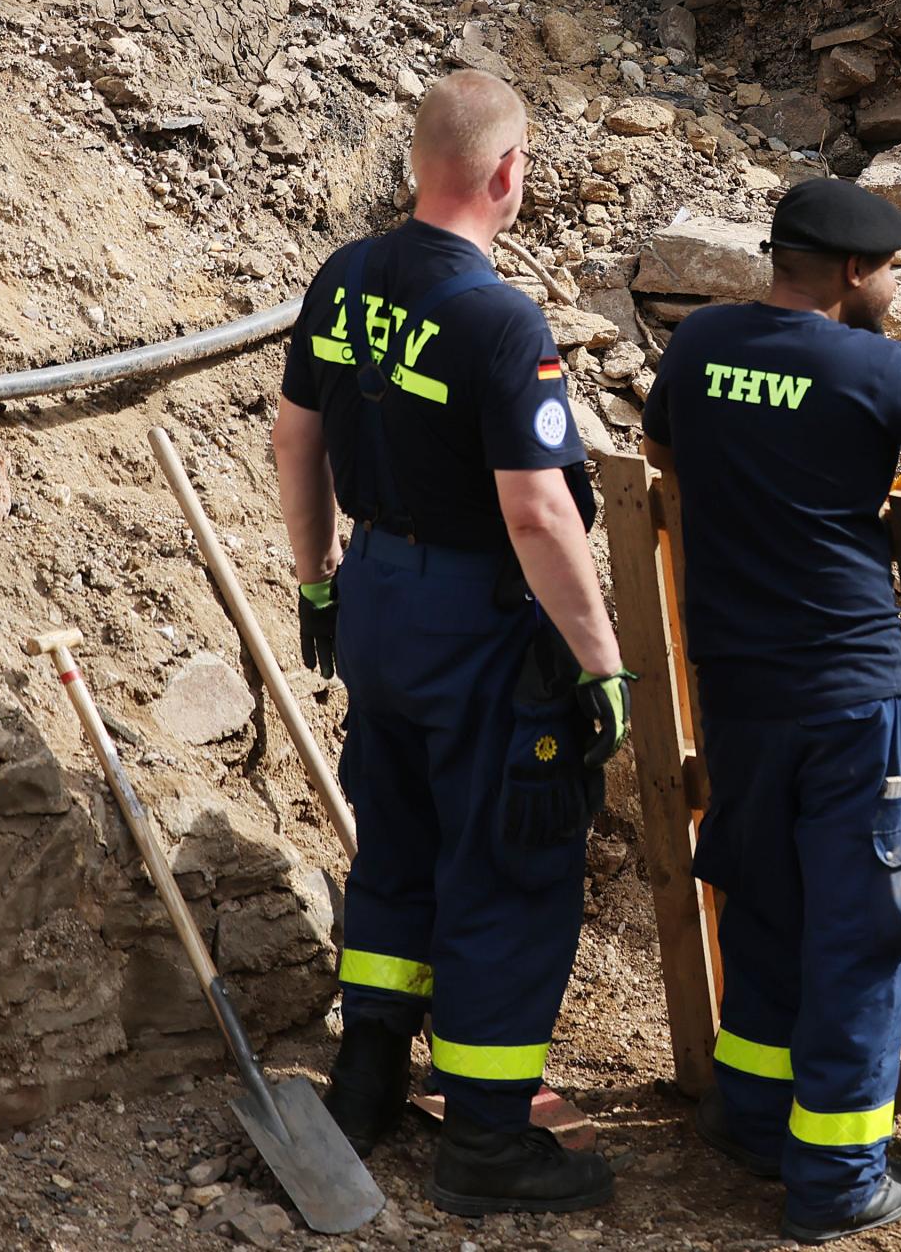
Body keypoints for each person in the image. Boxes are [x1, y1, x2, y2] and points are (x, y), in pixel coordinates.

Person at [646, 177, 901, 1244]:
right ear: (856, 273)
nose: (899, 289)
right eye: (897, 272)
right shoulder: (875, 368)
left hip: (738, 695)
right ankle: (835, 1178)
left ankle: (751, 1117)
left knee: (768, 906)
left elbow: (663, 456)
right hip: (853, 700)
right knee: (867, 935)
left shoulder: (700, 344)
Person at [271, 70, 633, 1216]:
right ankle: (484, 1135)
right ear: (507, 175)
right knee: (507, 868)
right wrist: (598, 661)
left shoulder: (345, 279)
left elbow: (295, 440)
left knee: (399, 840)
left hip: (374, 598)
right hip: (477, 622)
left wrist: (317, 579)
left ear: (414, 159)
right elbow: (537, 512)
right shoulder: (498, 319)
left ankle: (368, 1077)